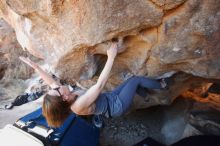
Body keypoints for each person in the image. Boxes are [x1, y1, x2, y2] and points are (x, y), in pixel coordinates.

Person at [20, 42, 167, 128]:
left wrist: (36, 67)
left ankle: (145, 94)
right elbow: (100, 84)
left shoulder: (64, 97)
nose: (56, 86)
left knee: (131, 82)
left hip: (110, 98)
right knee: (135, 80)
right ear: (63, 98)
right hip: (116, 106)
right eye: (57, 90)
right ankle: (162, 84)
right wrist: (111, 56)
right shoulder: (78, 105)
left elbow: (50, 82)